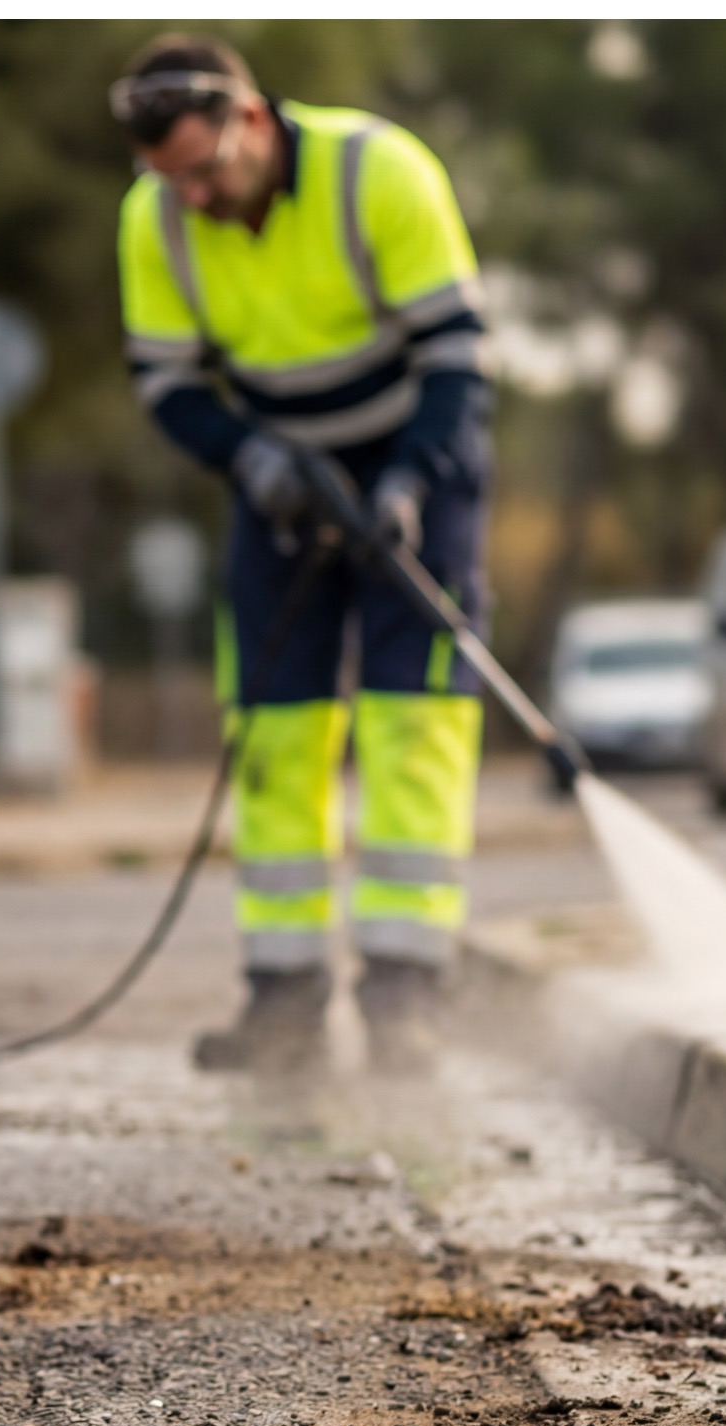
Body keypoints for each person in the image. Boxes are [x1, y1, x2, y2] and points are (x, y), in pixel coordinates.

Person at [109, 34, 493, 1077]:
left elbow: (457, 358)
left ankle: (405, 999)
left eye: (203, 170)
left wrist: (407, 485)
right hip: (280, 477)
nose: (189, 198)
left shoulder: (381, 172)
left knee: (412, 725)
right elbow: (168, 386)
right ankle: (282, 1000)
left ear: (250, 120)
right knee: (275, 732)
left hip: (415, 453)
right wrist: (251, 460)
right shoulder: (156, 222)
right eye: (165, 179)